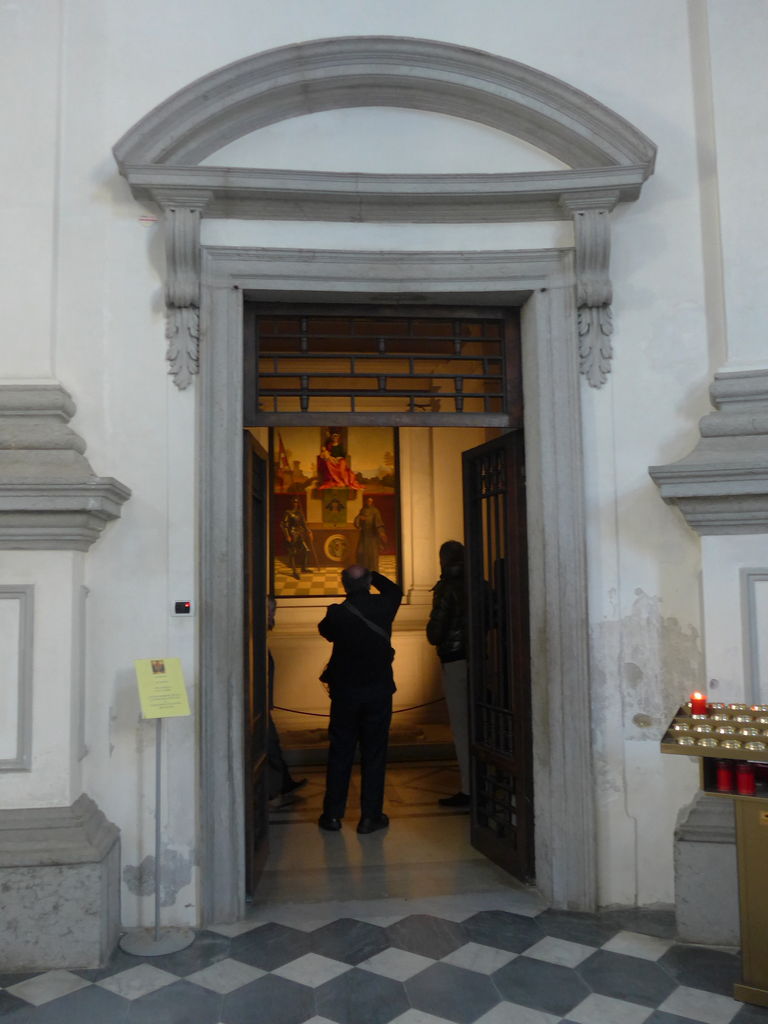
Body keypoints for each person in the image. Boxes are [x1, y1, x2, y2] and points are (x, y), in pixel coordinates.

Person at [317, 565, 402, 834]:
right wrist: (372, 573)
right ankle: (370, 817)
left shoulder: (337, 613)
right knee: (374, 754)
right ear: (368, 582)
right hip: (377, 692)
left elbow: (325, 631)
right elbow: (394, 590)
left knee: (340, 752)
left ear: (344, 585)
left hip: (345, 694)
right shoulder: (384, 606)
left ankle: (332, 815)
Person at [426, 540, 470, 808]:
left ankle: (469, 788)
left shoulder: (447, 589)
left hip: (454, 660)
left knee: (462, 727)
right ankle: (482, 782)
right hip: (479, 661)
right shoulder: (478, 583)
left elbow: (435, 633)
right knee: (478, 725)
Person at [267, 597, 306, 805]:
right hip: (256, 708)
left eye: (274, 611)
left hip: (261, 707)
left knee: (272, 745)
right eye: (270, 611)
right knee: (270, 745)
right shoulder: (252, 639)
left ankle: (283, 784)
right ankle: (276, 790)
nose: (272, 616)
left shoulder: (257, 638)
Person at [280, 496, 312, 579]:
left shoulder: (299, 513)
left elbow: (304, 524)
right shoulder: (288, 513)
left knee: (306, 550)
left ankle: (303, 568)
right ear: (291, 503)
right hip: (292, 534)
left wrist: (309, 531)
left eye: (296, 502)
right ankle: (294, 572)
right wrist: (287, 535)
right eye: (294, 502)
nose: (295, 504)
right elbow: (284, 525)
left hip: (300, 534)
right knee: (293, 552)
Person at [354, 496, 387, 571]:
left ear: (372, 502)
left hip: (372, 536)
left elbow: (378, 523)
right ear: (366, 502)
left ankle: (373, 571)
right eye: (368, 501)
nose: (369, 502)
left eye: (370, 501)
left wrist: (381, 532)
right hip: (364, 536)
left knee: (372, 555)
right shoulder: (363, 510)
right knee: (361, 553)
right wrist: (359, 518)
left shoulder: (375, 511)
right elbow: (357, 519)